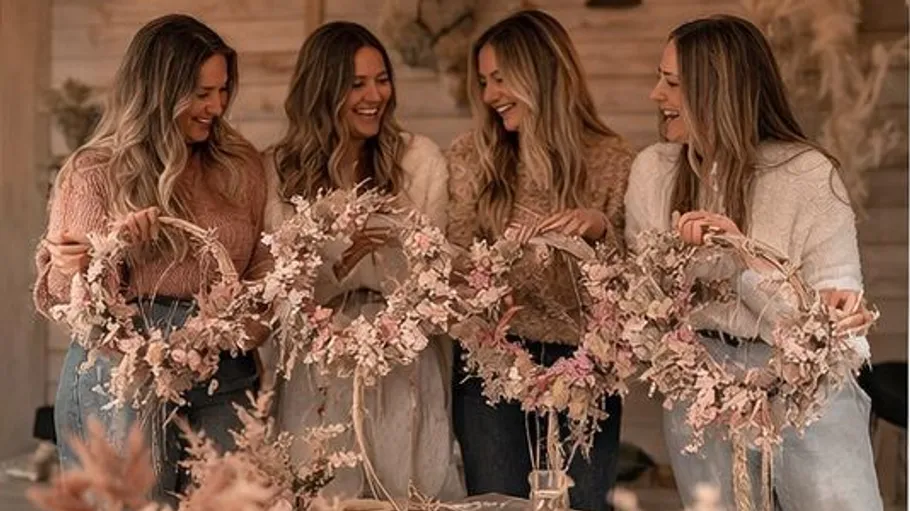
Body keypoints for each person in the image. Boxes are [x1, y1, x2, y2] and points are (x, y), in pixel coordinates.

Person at [625, 14, 882, 510]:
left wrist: (746, 258)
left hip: (808, 394)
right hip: (700, 387)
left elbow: (833, 329)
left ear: (718, 90)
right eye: (660, 79)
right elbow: (646, 308)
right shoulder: (653, 173)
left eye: (673, 83)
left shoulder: (806, 175)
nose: (657, 95)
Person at [34, 14, 271, 504]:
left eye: (222, 91)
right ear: (160, 92)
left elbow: (263, 265)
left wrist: (246, 326)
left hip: (225, 371)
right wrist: (102, 253)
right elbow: (68, 299)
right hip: (123, 375)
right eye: (202, 94)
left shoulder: (239, 165)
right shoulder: (94, 172)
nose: (216, 107)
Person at [262, 21, 465, 501]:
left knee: (409, 487)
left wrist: (391, 264)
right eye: (356, 84)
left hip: (404, 354)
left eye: (382, 79)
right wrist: (340, 263)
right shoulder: (279, 169)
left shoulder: (419, 160)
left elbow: (435, 274)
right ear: (322, 90)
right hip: (318, 358)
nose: (375, 96)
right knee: (322, 487)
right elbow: (278, 285)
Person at [445, 10, 633, 511]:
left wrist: (601, 231)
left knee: (584, 503)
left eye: (500, 78)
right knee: (497, 503)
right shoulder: (471, 157)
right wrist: (485, 281)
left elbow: (634, 284)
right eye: (483, 82)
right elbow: (455, 260)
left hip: (585, 370)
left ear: (542, 75)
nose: (489, 95)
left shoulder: (613, 161)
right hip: (491, 370)